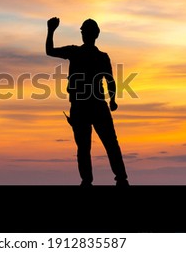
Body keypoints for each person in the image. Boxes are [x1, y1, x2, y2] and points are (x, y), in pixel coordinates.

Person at [45, 17, 129, 187]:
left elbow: (110, 80)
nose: (84, 34)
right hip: (86, 106)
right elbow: (110, 81)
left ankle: (116, 179)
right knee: (93, 146)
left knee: (103, 145)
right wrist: (112, 100)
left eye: (85, 32)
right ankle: (98, 181)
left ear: (93, 34)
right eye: (84, 31)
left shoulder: (87, 54)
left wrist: (51, 30)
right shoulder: (83, 53)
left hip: (91, 106)